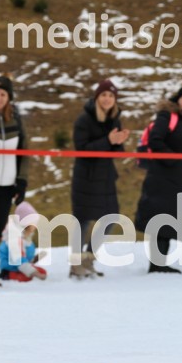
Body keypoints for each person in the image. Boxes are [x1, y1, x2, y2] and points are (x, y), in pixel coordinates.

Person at [135, 86, 182, 273]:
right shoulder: (167, 117)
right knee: (160, 219)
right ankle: (156, 264)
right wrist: (174, 160)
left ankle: (159, 263)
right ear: (178, 100)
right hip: (164, 177)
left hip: (180, 179)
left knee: (171, 221)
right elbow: (156, 140)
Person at [71, 79, 130, 279]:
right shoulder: (83, 119)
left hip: (105, 177)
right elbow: (82, 149)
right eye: (104, 95)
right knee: (83, 220)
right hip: (86, 176)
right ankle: (76, 263)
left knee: (111, 217)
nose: (107, 99)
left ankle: (88, 258)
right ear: (97, 97)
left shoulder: (115, 119)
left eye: (111, 96)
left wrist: (119, 143)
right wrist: (108, 141)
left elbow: (115, 153)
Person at [0, 75, 28, 283]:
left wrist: (21, 182)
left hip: (6, 187)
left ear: (9, 97)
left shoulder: (16, 119)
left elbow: (23, 151)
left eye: (2, 94)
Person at [0, 201, 47, 284]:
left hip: (20, 266)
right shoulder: (15, 239)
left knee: (42, 272)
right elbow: (19, 260)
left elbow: (24, 257)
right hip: (10, 268)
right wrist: (35, 273)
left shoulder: (26, 238)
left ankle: (24, 272)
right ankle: (6, 275)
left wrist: (34, 259)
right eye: (34, 223)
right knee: (28, 277)